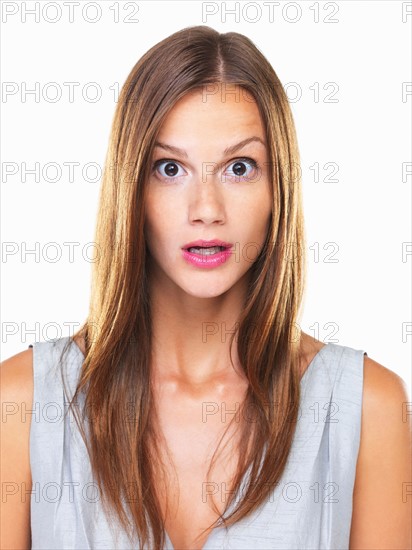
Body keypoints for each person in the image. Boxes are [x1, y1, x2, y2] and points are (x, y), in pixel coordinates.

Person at [1, 25, 410, 550]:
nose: (207, 211)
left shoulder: (366, 407)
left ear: (276, 189)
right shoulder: (24, 404)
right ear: (132, 192)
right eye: (170, 168)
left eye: (239, 168)